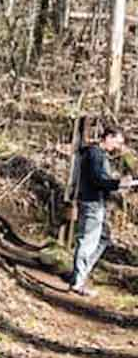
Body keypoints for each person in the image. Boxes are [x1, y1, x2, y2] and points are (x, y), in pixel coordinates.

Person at [69, 127, 134, 296]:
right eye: (117, 142)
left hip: (95, 202)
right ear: (108, 137)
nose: (117, 147)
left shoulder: (95, 154)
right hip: (92, 202)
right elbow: (98, 180)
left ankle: (81, 274)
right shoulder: (95, 154)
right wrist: (118, 183)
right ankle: (77, 282)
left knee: (104, 237)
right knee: (87, 241)